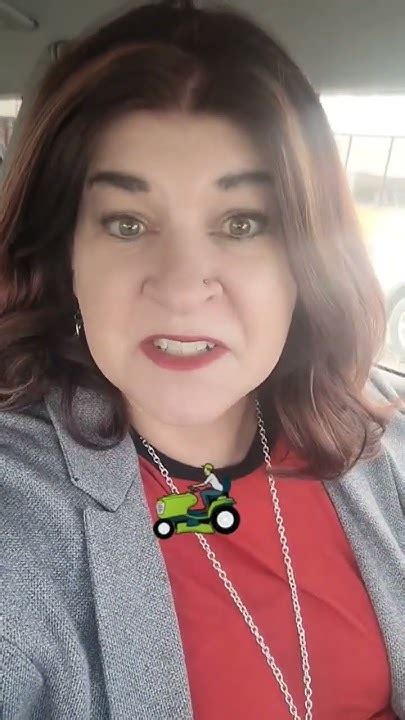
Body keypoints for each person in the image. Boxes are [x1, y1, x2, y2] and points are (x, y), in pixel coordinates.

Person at [0, 1, 404, 718]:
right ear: (65, 259)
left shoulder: (378, 434)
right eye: (127, 223)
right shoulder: (20, 509)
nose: (183, 288)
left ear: (306, 260)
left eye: (241, 222)